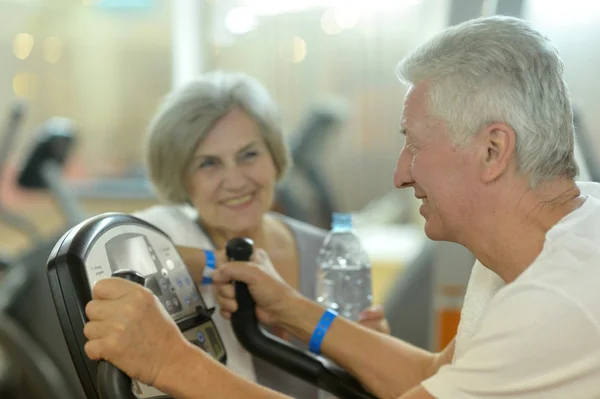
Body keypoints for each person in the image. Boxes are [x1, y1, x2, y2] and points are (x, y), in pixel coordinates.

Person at [83, 15, 600, 398]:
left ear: (492, 150)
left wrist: (171, 361)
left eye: (415, 145)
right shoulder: (550, 241)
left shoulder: (554, 302)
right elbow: (434, 379)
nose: (401, 172)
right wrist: (295, 311)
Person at [130, 71, 389, 398]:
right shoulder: (172, 240)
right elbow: (113, 262)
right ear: (182, 180)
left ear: (274, 156)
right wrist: (218, 264)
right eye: (208, 164)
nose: (235, 180)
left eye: (249, 155)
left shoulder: (331, 253)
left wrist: (374, 353)